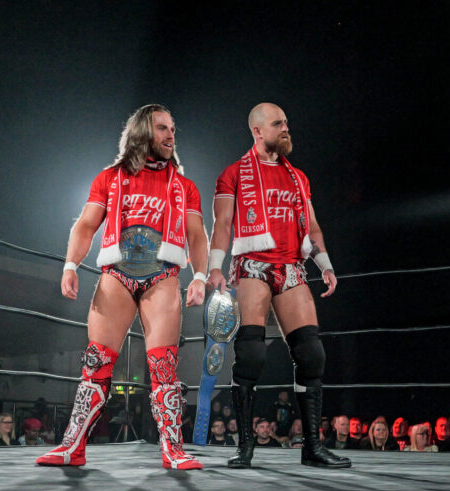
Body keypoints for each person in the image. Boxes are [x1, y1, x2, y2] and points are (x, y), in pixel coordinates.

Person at [37, 105, 207, 470]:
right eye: (163, 128)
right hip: (116, 273)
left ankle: (173, 449)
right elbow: (85, 226)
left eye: (173, 129)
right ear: (143, 131)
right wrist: (70, 266)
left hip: (162, 275)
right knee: (96, 362)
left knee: (164, 366)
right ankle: (72, 446)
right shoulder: (110, 178)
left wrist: (200, 276)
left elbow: (197, 235)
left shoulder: (184, 186)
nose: (170, 135)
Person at [208, 102, 349, 470]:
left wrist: (325, 264)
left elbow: (312, 226)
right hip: (254, 264)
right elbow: (223, 223)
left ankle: (312, 448)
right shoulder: (234, 173)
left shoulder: (297, 176)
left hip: (291, 267)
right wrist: (215, 267)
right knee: (252, 354)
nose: (286, 128)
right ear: (257, 131)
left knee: (312, 354)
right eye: (278, 123)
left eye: (287, 122)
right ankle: (246, 445)